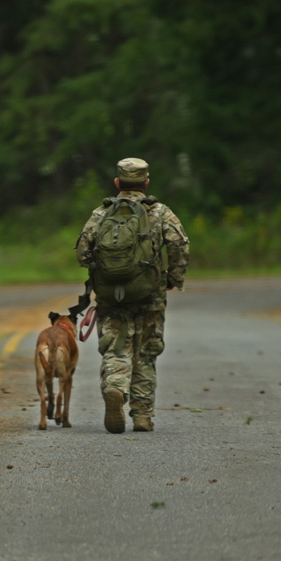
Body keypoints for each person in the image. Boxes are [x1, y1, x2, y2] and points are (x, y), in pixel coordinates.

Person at [75, 157, 190, 433]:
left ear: (117, 182)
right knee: (146, 352)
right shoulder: (160, 212)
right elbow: (179, 245)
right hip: (149, 294)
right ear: (146, 182)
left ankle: (115, 387)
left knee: (116, 346)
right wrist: (173, 278)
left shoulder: (101, 214)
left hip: (111, 296)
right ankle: (142, 415)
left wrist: (104, 271)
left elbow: (82, 252)